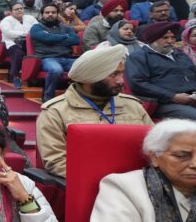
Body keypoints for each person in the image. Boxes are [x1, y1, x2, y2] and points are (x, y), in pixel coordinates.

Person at [36, 45, 152, 176]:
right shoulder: (55, 111)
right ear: (90, 78)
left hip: (137, 180)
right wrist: (104, 181)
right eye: (113, 75)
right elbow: (57, 161)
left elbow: (156, 148)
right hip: (89, 182)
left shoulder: (133, 106)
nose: (121, 81)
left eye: (121, 73)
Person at [126, 22, 196, 120]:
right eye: (165, 38)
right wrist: (172, 96)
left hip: (191, 98)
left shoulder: (179, 54)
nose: (170, 41)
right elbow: (137, 84)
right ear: (153, 39)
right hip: (164, 102)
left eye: (173, 37)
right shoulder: (139, 57)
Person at [30, 4, 80, 102]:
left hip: (67, 58)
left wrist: (52, 39)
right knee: (56, 70)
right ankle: (48, 98)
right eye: (47, 12)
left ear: (57, 14)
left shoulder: (65, 27)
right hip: (48, 58)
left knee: (86, 66)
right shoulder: (36, 27)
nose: (50, 14)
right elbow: (47, 38)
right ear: (42, 14)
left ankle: (79, 97)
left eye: (53, 12)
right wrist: (65, 36)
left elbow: (75, 40)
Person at [0, 2, 38, 88]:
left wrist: (27, 35)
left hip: (30, 43)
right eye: (16, 9)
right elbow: (9, 33)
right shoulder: (6, 20)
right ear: (11, 12)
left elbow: (37, 29)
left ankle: (33, 77)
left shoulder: (30, 18)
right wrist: (26, 34)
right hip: (11, 43)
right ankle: (15, 76)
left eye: (21, 8)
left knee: (38, 53)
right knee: (17, 53)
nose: (20, 10)